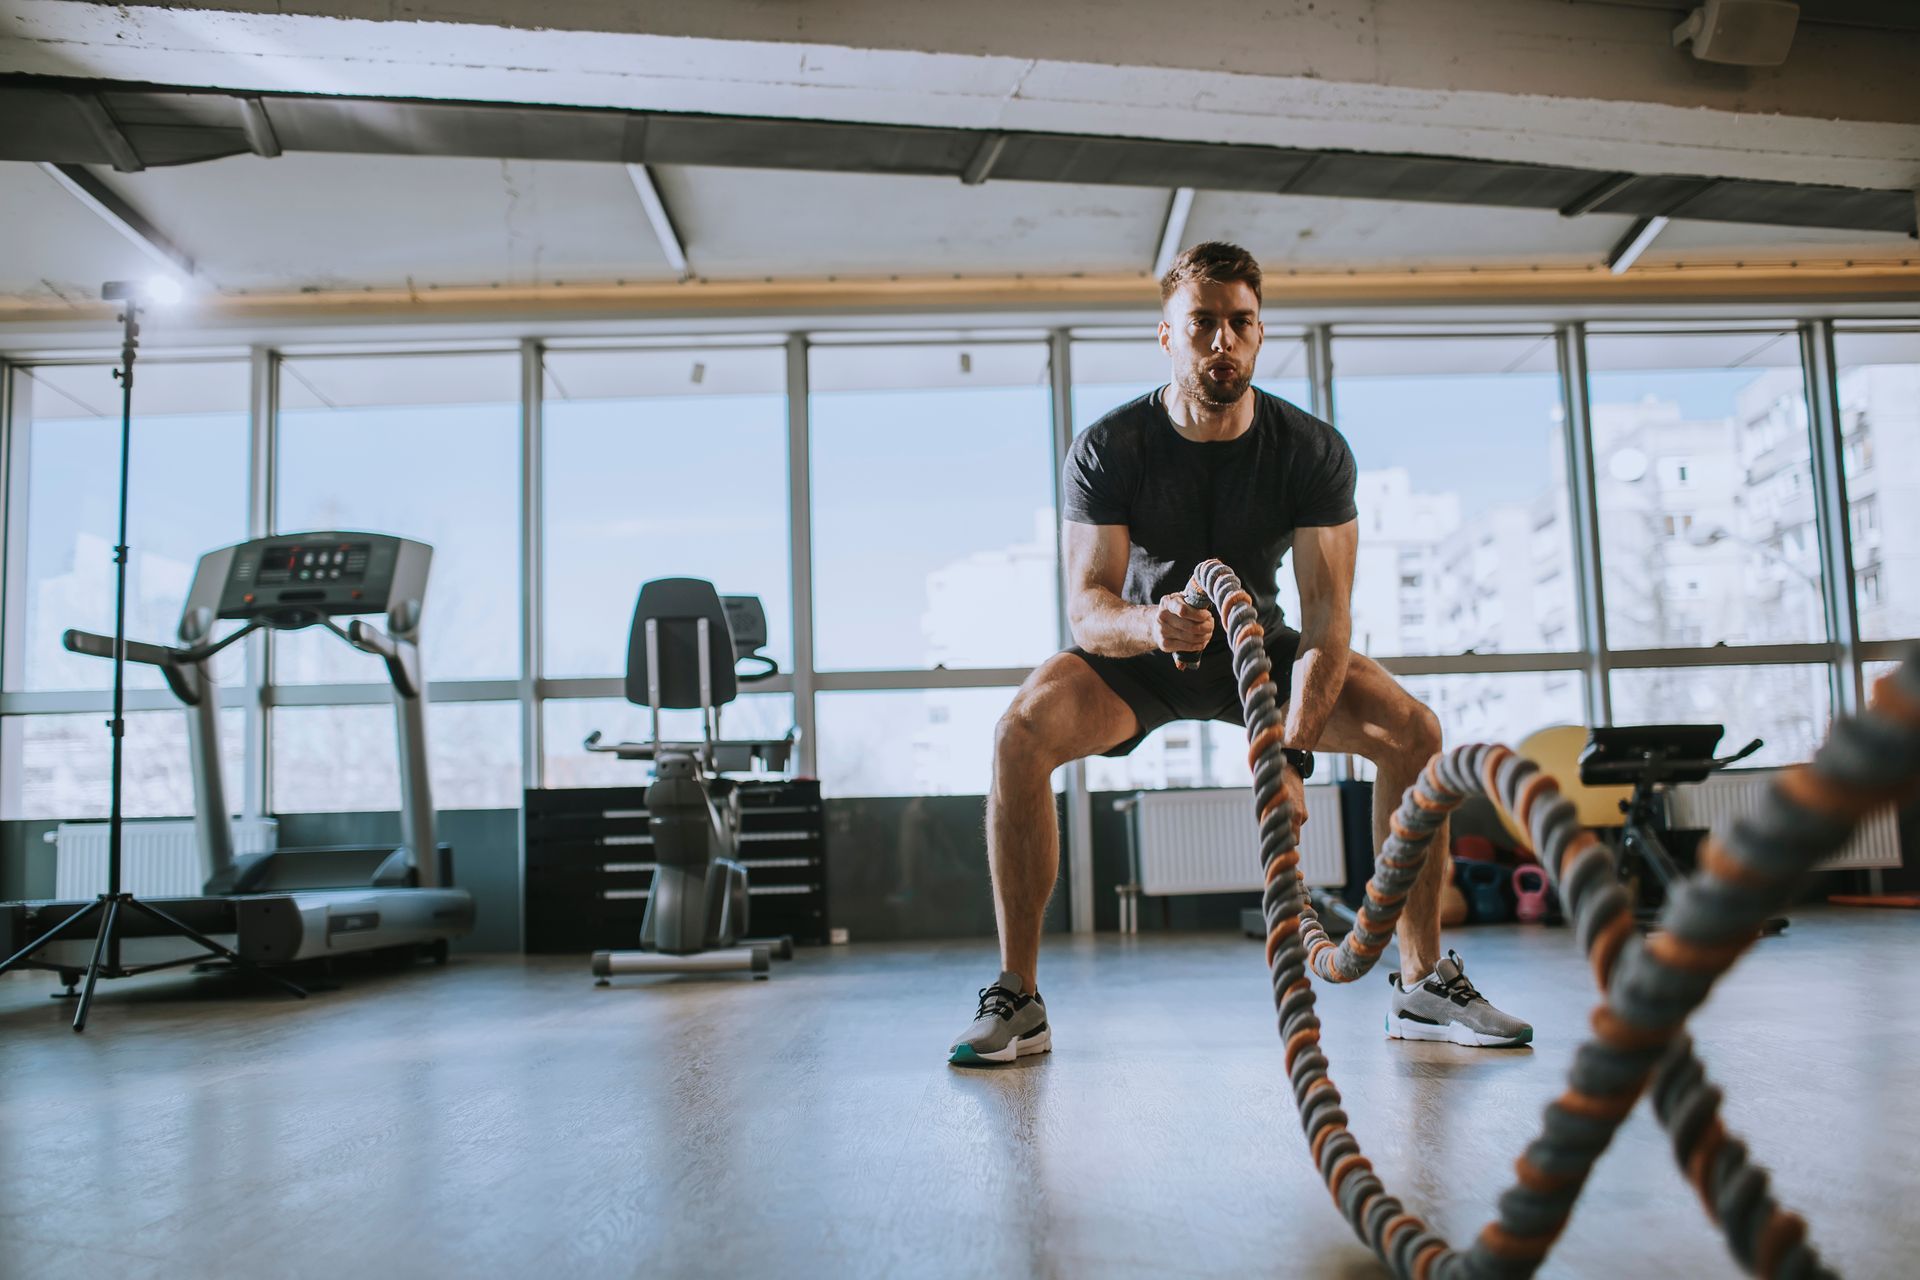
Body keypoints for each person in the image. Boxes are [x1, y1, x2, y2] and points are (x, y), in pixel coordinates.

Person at [949, 242, 1532, 1064]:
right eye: (1202, 323)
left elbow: (1328, 622)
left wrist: (1290, 754)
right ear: (1167, 336)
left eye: (1240, 322)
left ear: (1259, 333)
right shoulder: (1110, 446)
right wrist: (1153, 625)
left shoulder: (1310, 449)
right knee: (1020, 732)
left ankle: (1421, 985)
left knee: (1414, 731)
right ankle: (1019, 995)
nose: (1222, 340)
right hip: (1144, 650)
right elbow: (1087, 610)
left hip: (1261, 652)